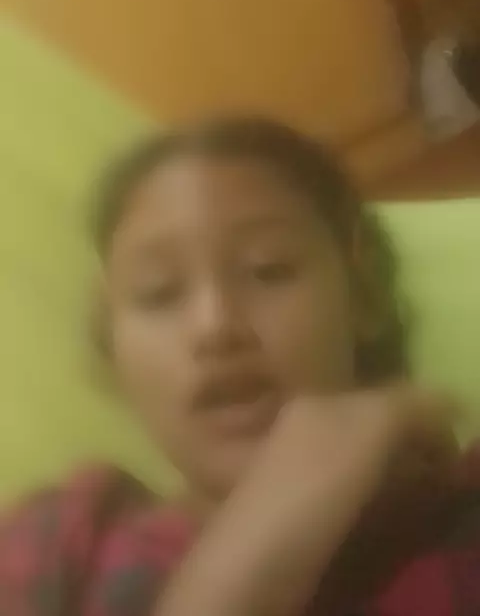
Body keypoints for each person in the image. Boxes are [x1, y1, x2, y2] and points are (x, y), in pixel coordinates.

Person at [1, 116, 479, 616]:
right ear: (110, 342)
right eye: (158, 293)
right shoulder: (58, 544)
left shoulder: (461, 522)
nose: (215, 326)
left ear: (361, 294)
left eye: (267, 269)